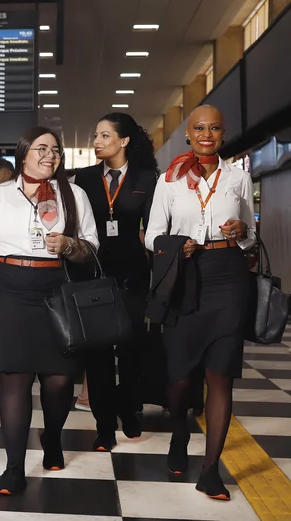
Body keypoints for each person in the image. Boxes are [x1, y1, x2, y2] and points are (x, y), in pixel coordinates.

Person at [0, 126, 99, 495]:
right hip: (6, 289)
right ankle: (14, 467)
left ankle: (52, 436)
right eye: (41, 148)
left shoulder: (75, 195)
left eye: (55, 150)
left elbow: (92, 247)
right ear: (23, 154)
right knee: (15, 379)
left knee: (58, 380)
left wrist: (71, 245)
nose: (49, 155)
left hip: (56, 289)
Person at [145, 105, 255, 501]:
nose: (207, 134)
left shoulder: (239, 177)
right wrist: (176, 244)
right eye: (199, 128)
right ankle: (178, 433)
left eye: (215, 128)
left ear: (223, 134)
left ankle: (210, 471)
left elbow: (251, 236)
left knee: (220, 376)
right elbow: (152, 234)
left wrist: (244, 231)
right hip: (185, 275)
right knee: (179, 377)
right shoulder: (169, 180)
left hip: (228, 275)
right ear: (188, 134)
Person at [73, 112, 158, 450]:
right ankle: (104, 426)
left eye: (105, 136)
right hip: (93, 277)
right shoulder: (85, 178)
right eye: (96, 135)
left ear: (123, 141)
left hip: (133, 276)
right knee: (98, 356)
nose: (97, 141)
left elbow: (154, 231)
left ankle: (131, 409)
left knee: (131, 350)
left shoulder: (147, 178)